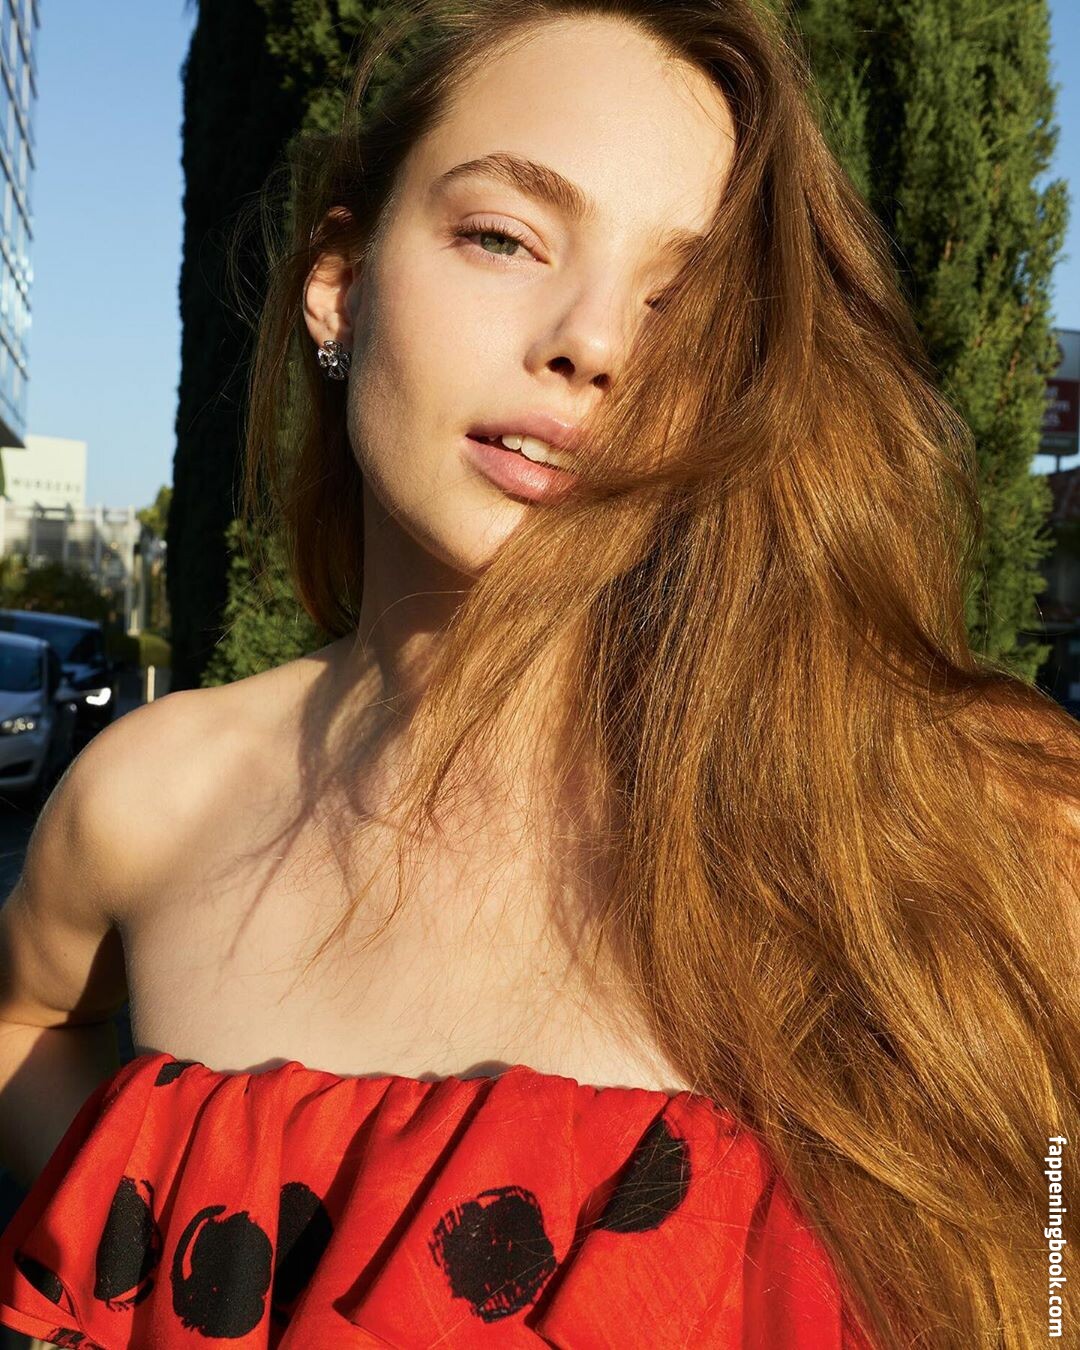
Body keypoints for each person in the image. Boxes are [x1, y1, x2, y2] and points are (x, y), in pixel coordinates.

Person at [0, 0, 1076, 1345]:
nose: (595, 343)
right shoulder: (151, 801)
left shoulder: (961, 822)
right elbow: (27, 1016)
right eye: (506, 237)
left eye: (684, 305)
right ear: (341, 282)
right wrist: (123, 1232)